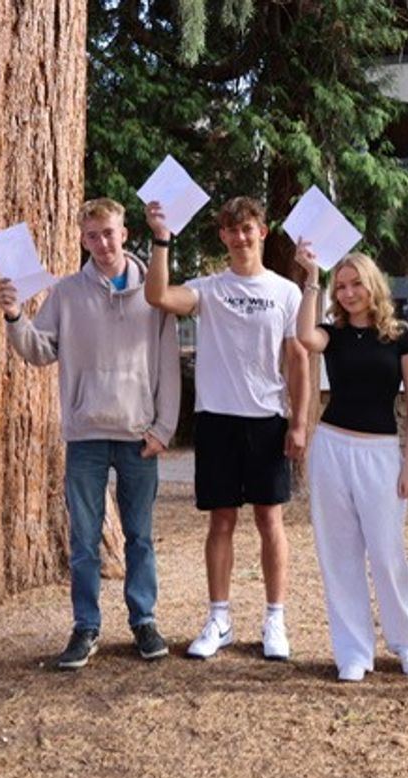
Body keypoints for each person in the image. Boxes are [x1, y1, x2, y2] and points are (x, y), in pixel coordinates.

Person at [0, 198, 180, 670]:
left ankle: (143, 620)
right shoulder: (67, 294)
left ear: (125, 233)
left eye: (111, 233)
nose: (103, 243)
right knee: (83, 539)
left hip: (140, 434)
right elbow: (39, 351)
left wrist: (164, 427)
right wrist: (15, 316)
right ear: (82, 239)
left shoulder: (153, 292)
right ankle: (86, 626)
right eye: (93, 236)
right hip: (86, 435)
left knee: (139, 536)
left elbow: (168, 366)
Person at [144, 196, 308, 661]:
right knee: (221, 521)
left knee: (269, 520)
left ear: (263, 230)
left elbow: (298, 361)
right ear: (223, 236)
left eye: (248, 228)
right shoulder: (208, 289)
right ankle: (220, 618)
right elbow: (158, 296)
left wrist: (299, 423)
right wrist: (161, 239)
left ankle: (275, 618)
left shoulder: (286, 292)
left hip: (267, 420)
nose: (241, 237)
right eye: (232, 230)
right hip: (217, 420)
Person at [293, 244, 408, 683]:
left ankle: (407, 642)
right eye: (342, 286)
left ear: (373, 286)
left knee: (387, 554)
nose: (350, 293)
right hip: (332, 450)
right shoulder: (330, 333)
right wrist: (312, 277)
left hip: (381, 454)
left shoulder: (401, 336)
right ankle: (353, 651)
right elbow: (303, 337)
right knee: (339, 554)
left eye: (357, 285)